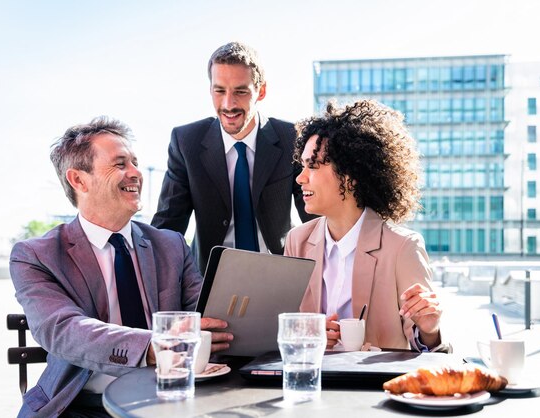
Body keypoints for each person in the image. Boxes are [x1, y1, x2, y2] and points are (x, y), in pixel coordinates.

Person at [10, 117, 232, 418]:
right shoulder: (37, 255)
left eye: (135, 162)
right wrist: (152, 347)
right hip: (81, 406)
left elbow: (205, 314)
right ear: (79, 180)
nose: (136, 173)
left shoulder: (171, 245)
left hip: (173, 398)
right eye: (120, 164)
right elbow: (63, 330)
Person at [284, 100, 448, 352]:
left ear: (350, 177)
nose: (300, 177)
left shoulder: (402, 247)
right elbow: (286, 330)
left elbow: (425, 349)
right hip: (314, 384)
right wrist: (308, 335)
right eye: (302, 165)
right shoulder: (297, 241)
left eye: (313, 166)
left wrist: (430, 331)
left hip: (374, 389)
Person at [152, 41, 315, 273]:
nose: (228, 104)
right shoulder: (186, 142)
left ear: (261, 91)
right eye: (219, 91)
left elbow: (317, 219)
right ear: (210, 90)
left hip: (278, 271)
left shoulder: (292, 139)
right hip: (210, 276)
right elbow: (168, 226)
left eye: (240, 91)